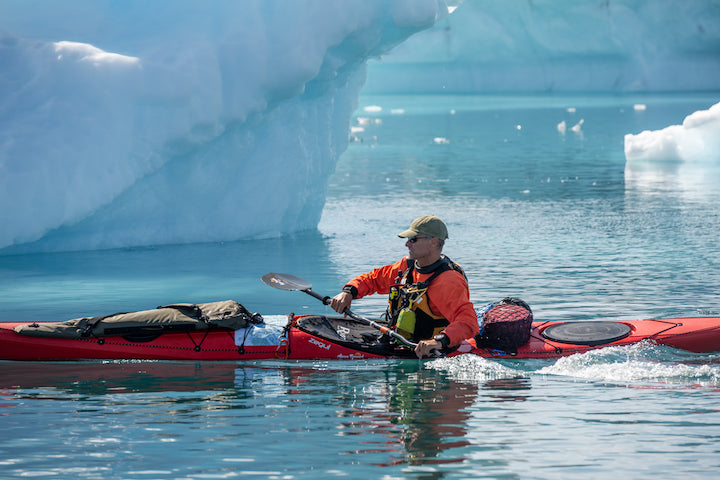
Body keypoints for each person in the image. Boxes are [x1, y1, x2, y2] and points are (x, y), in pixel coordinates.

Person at [330, 215, 478, 358]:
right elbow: (373, 279)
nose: (407, 244)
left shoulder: (448, 280)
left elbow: (468, 322)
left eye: (413, 239)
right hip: (400, 339)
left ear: (433, 242)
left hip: (431, 350)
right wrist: (348, 292)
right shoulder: (407, 267)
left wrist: (438, 341)